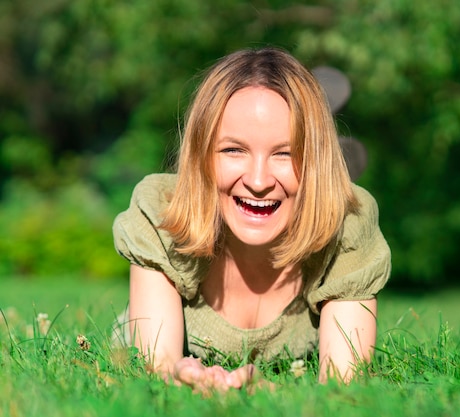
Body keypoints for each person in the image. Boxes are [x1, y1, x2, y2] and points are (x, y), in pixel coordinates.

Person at [112, 47, 391, 392]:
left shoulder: (348, 225)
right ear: (201, 154)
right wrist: (187, 380)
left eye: (285, 153)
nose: (258, 182)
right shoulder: (162, 214)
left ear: (315, 162)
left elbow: (344, 387)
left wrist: (269, 393)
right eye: (233, 150)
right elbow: (157, 374)